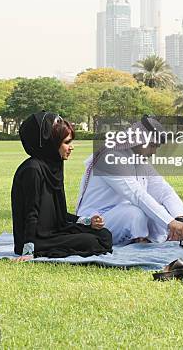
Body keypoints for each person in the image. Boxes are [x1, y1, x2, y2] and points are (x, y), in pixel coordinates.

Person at [11, 111, 112, 259]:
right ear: (51, 143)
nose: (71, 147)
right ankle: (35, 249)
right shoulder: (32, 170)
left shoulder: (53, 166)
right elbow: (30, 213)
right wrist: (28, 251)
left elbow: (60, 214)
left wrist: (88, 221)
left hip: (55, 231)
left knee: (104, 235)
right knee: (92, 242)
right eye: (66, 142)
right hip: (36, 239)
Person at [76, 116, 183, 245]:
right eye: (151, 145)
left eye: (156, 147)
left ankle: (146, 239)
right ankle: (139, 242)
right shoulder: (109, 158)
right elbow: (136, 194)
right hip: (96, 219)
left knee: (157, 210)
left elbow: (164, 191)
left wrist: (179, 219)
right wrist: (170, 222)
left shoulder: (139, 160)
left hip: (122, 213)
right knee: (136, 213)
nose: (154, 152)